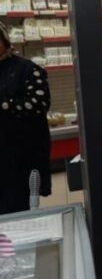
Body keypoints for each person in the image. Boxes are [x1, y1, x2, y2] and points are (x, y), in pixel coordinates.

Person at [0, 22, 52, 214]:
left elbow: (39, 102)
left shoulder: (27, 69)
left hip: (21, 160)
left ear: (5, 41)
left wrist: (6, 105)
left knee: (18, 212)